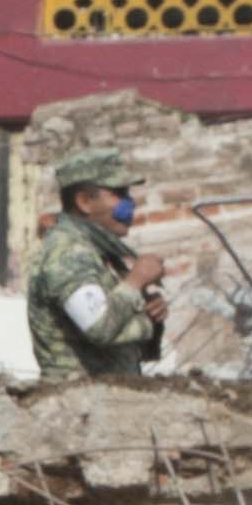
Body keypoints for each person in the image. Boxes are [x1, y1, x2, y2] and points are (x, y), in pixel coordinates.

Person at [23, 147, 166, 380]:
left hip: (108, 400)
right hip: (76, 404)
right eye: (119, 193)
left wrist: (150, 314)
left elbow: (122, 336)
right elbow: (98, 326)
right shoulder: (67, 252)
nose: (130, 204)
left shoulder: (96, 251)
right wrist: (135, 281)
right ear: (85, 201)